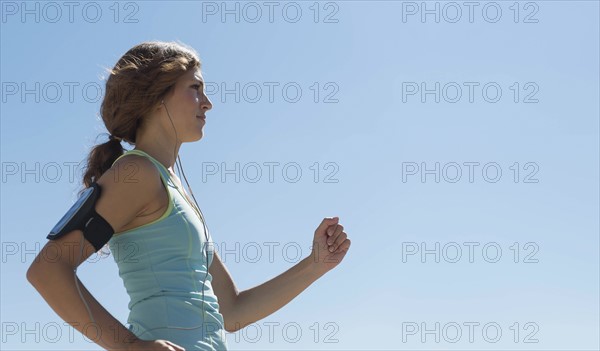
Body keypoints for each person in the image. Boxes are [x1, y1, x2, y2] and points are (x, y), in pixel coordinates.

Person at [25, 41, 351, 351]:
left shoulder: (173, 186)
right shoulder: (137, 173)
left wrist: (315, 265)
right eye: (195, 88)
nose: (208, 102)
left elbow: (233, 311)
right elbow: (47, 270)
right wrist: (129, 345)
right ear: (156, 97)